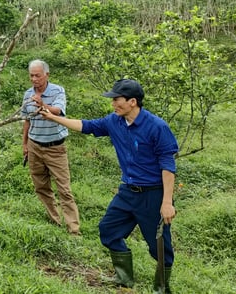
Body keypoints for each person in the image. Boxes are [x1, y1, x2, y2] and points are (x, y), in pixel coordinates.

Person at [39, 78, 179, 294]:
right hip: (127, 191)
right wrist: (54, 118)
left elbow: (168, 165)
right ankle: (124, 278)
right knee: (108, 230)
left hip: (153, 193)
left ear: (133, 102)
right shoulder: (115, 121)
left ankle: (161, 288)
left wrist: (167, 202)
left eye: (117, 100)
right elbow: (86, 125)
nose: (113, 104)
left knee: (159, 246)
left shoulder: (157, 127)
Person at [21, 59, 81, 235]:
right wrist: (25, 144)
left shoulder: (57, 91)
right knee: (41, 186)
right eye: (31, 76)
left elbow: (57, 111)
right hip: (34, 146)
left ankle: (74, 230)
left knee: (64, 189)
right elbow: (27, 121)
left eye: (37, 75)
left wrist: (42, 105)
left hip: (55, 148)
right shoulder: (27, 94)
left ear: (47, 74)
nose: (34, 79)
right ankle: (55, 221)